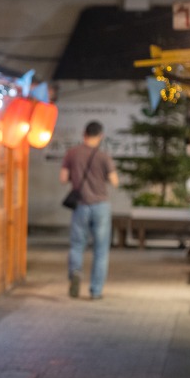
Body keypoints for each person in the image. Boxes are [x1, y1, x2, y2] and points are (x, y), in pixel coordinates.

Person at [60, 120, 119, 300]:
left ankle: (75, 273)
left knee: (77, 245)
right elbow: (115, 181)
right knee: (101, 250)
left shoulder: (72, 153)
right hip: (101, 205)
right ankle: (96, 290)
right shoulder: (103, 156)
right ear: (100, 136)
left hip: (81, 206)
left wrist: (76, 178)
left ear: (83, 134)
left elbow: (63, 178)